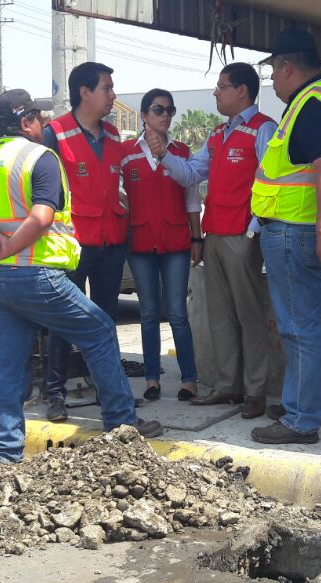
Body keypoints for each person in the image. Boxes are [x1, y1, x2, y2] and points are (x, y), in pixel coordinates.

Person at [0, 89, 161, 465]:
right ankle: (122, 427)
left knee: (7, 365)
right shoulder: (41, 157)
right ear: (26, 122)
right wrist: (6, 249)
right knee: (99, 330)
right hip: (35, 276)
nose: (44, 124)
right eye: (38, 118)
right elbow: (41, 218)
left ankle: (5, 456)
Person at [149, 63, 277, 421]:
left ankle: (254, 391)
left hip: (242, 236)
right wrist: (163, 156)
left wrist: (255, 228)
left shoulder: (262, 128)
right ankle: (226, 385)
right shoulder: (219, 135)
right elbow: (192, 173)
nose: (216, 93)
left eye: (222, 86)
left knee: (249, 315)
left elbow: (272, 180)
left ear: (243, 91)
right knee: (221, 315)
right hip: (215, 234)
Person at [249, 29, 321, 445]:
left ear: (287, 66)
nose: (272, 80)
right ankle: (296, 405)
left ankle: (302, 420)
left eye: (272, 71)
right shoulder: (313, 100)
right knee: (298, 327)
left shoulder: (312, 104)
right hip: (291, 230)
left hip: (294, 231)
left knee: (299, 329)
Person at [41, 62, 129, 423]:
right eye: (107, 88)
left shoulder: (113, 134)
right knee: (65, 322)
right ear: (85, 93)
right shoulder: (55, 134)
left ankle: (107, 388)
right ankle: (55, 394)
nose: (112, 95)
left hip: (111, 241)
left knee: (106, 320)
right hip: (72, 246)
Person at [120, 89, 201, 403]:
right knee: (149, 313)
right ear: (143, 115)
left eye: (170, 110)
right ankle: (152, 378)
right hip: (140, 243)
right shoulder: (126, 153)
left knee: (178, 313)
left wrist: (197, 239)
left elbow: (193, 199)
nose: (165, 115)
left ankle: (189, 379)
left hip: (177, 242)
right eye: (158, 109)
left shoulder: (182, 151)